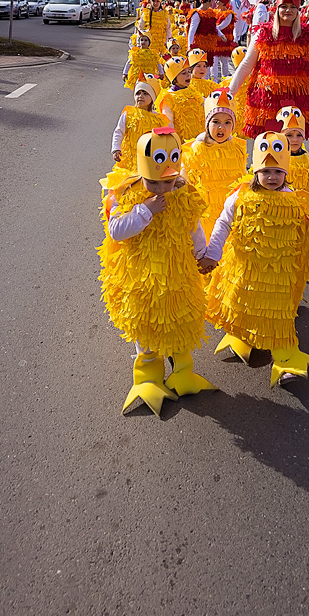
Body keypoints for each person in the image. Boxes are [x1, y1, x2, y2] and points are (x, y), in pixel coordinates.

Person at [201, 132, 309, 385]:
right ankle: (244, 338)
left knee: (279, 316)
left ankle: (285, 360)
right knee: (243, 305)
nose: (272, 177)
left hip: (278, 276)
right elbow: (223, 223)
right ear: (255, 171)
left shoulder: (296, 201)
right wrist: (213, 253)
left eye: (277, 172)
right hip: (245, 268)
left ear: (286, 173)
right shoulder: (241, 195)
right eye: (266, 172)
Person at [98, 127, 216, 417]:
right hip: (141, 279)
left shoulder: (183, 193)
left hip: (178, 275)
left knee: (179, 321)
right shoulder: (126, 194)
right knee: (147, 326)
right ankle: (148, 379)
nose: (163, 189)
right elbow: (116, 231)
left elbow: (194, 228)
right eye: (155, 183)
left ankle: (182, 372)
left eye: (169, 181)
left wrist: (202, 255)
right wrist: (146, 210)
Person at [229, 0, 309, 140]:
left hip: (298, 102)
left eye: (292, 7)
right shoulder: (263, 34)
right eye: (284, 6)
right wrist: (229, 94)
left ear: (298, 10)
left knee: (292, 149)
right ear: (277, 8)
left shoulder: (307, 36)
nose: (288, 10)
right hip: (267, 102)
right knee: (267, 148)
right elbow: (246, 66)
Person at [180, 90, 248, 238]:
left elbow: (242, 175)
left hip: (230, 209)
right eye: (215, 122)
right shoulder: (197, 148)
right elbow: (185, 178)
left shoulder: (237, 147)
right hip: (206, 211)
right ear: (207, 124)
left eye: (227, 122)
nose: (221, 128)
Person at [106, 80, 169, 190]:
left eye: (145, 93)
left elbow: (164, 139)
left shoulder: (159, 119)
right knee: (126, 184)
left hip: (149, 159)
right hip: (130, 158)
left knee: (145, 184)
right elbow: (118, 132)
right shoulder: (128, 113)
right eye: (138, 93)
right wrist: (116, 149)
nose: (141, 96)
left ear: (152, 98)